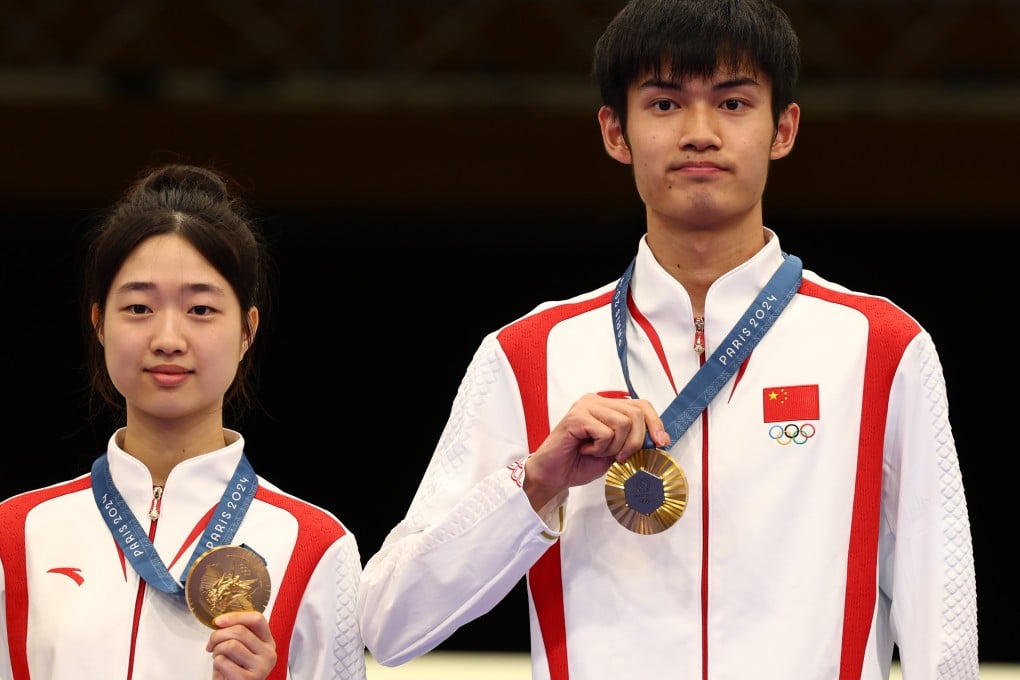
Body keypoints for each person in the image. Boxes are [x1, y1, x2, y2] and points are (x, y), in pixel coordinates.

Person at [356, 0, 979, 678]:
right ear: (615, 132)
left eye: (735, 103)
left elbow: (938, 623)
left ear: (785, 129)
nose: (701, 133)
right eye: (665, 104)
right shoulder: (529, 356)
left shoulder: (880, 347)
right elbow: (389, 624)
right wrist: (534, 485)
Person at [0, 164, 367, 680]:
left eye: (199, 308)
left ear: (247, 330)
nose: (168, 337)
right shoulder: (16, 535)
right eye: (139, 307)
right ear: (99, 323)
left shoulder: (315, 545)